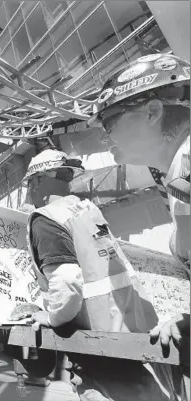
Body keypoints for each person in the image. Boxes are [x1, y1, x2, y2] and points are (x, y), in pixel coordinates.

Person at [23, 148, 176, 400]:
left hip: (95, 340)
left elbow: (68, 281)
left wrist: (52, 317)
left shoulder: (47, 219)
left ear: (39, 180)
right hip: (129, 330)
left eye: (30, 183)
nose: (30, 190)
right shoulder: (86, 210)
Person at [88, 53, 189, 398]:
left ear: (152, 112)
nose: (105, 136)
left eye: (110, 121)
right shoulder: (177, 173)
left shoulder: (186, 168)